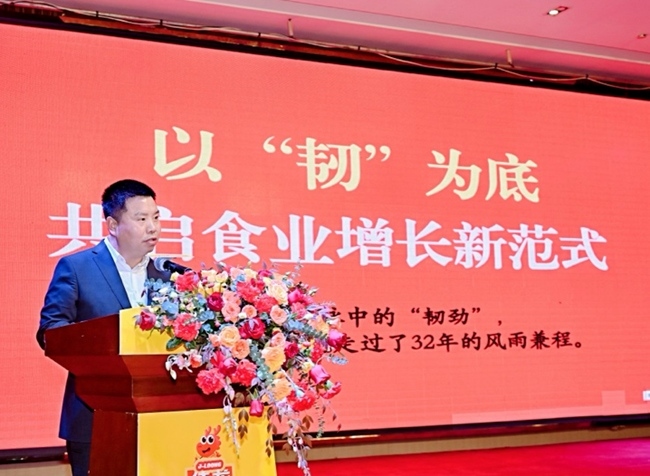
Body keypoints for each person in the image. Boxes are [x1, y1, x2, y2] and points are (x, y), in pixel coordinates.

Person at [37, 179, 171, 476]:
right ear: (112, 225)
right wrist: (105, 345)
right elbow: (50, 331)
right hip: (93, 415)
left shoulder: (167, 274)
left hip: (159, 418)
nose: (153, 227)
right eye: (141, 219)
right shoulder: (77, 267)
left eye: (156, 217)